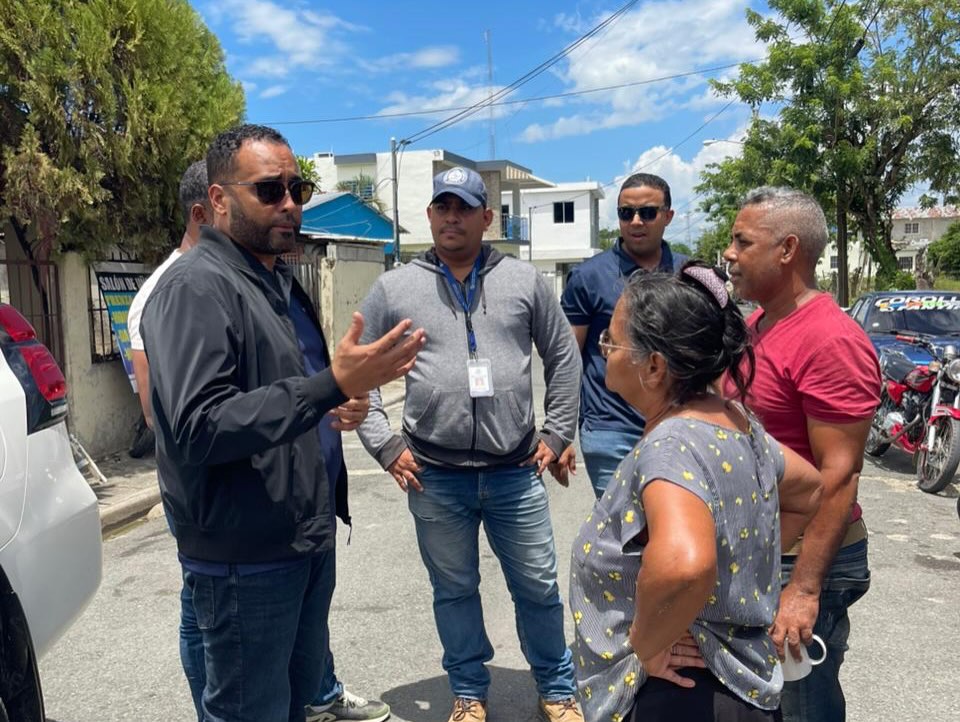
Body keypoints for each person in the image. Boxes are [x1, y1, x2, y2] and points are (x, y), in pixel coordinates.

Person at [141, 124, 424, 722]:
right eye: (270, 191)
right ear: (218, 200)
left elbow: (288, 392)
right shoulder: (196, 286)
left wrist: (334, 403)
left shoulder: (275, 279)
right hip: (247, 557)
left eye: (296, 188)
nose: (291, 204)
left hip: (303, 539)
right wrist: (329, 387)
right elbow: (199, 425)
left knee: (297, 708)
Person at [356, 166, 584, 722]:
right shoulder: (396, 286)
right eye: (442, 207)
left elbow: (564, 359)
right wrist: (383, 445)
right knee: (454, 590)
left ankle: (556, 688)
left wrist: (556, 433)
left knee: (537, 584)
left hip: (514, 469)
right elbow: (353, 368)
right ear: (430, 215)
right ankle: (467, 693)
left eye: (464, 207)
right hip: (434, 472)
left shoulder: (524, 280)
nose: (452, 217)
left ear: (487, 217)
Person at [569, 262, 823, 722]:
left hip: (678, 696)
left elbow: (685, 565)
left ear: (653, 366)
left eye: (612, 341)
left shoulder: (672, 445)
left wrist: (647, 644)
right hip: (736, 690)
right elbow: (808, 490)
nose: (604, 350)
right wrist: (733, 579)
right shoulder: (735, 420)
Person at [721, 187, 880, 722]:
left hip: (805, 560)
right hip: (765, 550)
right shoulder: (758, 324)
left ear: (787, 249)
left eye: (742, 241)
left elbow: (838, 475)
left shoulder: (830, 339)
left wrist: (803, 589)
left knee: (800, 707)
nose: (729, 253)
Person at [126, 160, 209, 718]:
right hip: (199, 484)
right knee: (201, 601)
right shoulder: (161, 293)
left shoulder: (242, 275)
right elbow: (159, 411)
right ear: (208, 210)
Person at [559, 173, 687, 497]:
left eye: (647, 212)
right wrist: (559, 433)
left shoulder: (689, 276)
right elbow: (567, 359)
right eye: (625, 213)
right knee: (623, 534)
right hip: (609, 429)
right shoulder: (588, 277)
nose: (635, 221)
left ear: (668, 216)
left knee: (671, 526)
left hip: (679, 424)